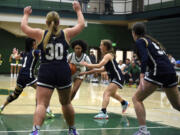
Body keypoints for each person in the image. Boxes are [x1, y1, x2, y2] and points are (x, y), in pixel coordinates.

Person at [21, 1, 84, 135]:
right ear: (59, 22)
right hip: (62, 70)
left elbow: (24, 27)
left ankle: (35, 131)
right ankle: (72, 130)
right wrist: (78, 10)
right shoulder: (66, 33)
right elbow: (81, 25)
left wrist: (26, 14)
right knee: (66, 103)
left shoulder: (39, 34)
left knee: (42, 104)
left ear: (46, 22)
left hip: (46, 71)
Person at [131, 22, 180, 135]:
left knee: (136, 99)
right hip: (170, 71)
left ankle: (143, 131)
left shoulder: (140, 41)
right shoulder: (151, 41)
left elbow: (144, 58)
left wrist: (142, 74)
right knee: (177, 104)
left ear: (133, 33)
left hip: (159, 71)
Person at [0, 38, 54, 118]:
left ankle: (1, 107)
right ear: (32, 44)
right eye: (35, 43)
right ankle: (47, 111)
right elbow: (45, 53)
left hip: (21, 76)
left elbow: (15, 57)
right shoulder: (35, 52)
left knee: (15, 94)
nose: (36, 44)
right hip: (28, 76)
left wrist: (15, 53)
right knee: (43, 91)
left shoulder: (24, 52)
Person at [80, 39, 129, 119]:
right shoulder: (107, 56)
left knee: (106, 93)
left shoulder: (108, 55)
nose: (99, 46)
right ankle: (124, 103)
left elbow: (99, 65)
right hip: (114, 78)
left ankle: (103, 112)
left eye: (101, 45)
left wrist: (87, 64)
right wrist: (85, 73)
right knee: (112, 94)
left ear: (105, 46)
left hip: (118, 77)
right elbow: (101, 69)